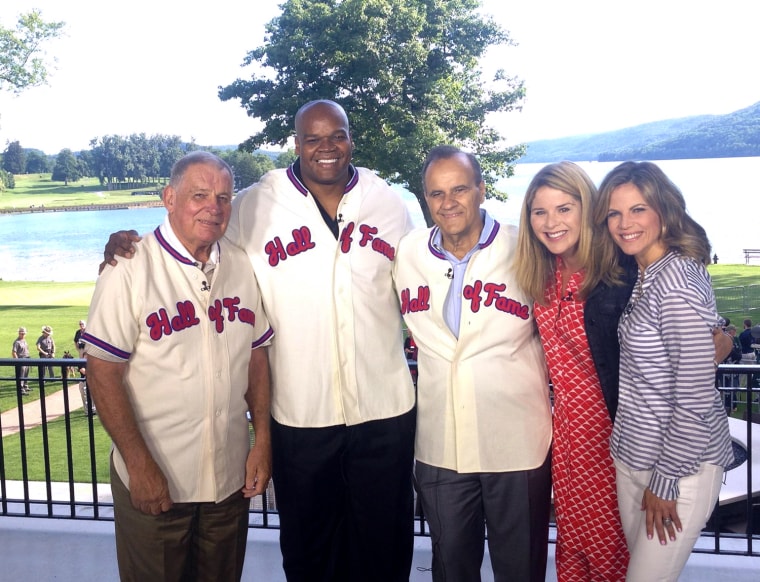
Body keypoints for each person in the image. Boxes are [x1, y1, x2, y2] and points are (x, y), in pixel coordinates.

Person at [102, 101, 416, 582]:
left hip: (384, 410)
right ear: (296, 143)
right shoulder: (255, 202)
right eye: (312, 138)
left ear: (352, 139)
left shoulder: (391, 203)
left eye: (337, 136)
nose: (326, 148)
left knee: (385, 549)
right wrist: (127, 243)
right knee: (310, 552)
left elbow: (429, 272)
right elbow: (196, 223)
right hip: (301, 416)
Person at [83, 151, 274, 581]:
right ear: (169, 198)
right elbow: (102, 372)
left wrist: (261, 440)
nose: (214, 207)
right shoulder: (130, 266)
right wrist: (138, 465)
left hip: (228, 482)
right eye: (199, 195)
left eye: (224, 197)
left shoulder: (241, 266)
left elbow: (256, 358)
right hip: (157, 478)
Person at [393, 145, 552, 581]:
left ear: (481, 189)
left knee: (520, 569)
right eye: (436, 193)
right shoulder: (406, 253)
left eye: (459, 189)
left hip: (517, 443)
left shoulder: (526, 246)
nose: (448, 203)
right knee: (451, 568)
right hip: (441, 446)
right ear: (425, 199)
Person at [596, 160, 734, 582]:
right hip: (635, 458)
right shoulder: (644, 272)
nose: (624, 223)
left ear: (664, 210)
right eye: (614, 213)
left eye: (638, 209)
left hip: (679, 471)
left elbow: (693, 395)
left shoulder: (675, 280)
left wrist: (667, 482)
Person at [514, 161, 630, 581]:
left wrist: (715, 334)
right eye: (540, 211)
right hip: (564, 440)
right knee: (571, 551)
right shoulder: (541, 273)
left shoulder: (618, 274)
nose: (551, 222)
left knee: (611, 555)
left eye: (564, 209)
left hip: (612, 441)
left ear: (587, 208)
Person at [12, 326, 31, 395]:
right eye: (21, 333)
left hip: (27, 359)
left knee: (26, 374)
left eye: (24, 333)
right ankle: (21, 389)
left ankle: (25, 386)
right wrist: (17, 361)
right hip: (21, 360)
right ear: (19, 333)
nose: (23, 335)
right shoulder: (17, 342)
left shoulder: (24, 340)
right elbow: (14, 352)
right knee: (21, 375)